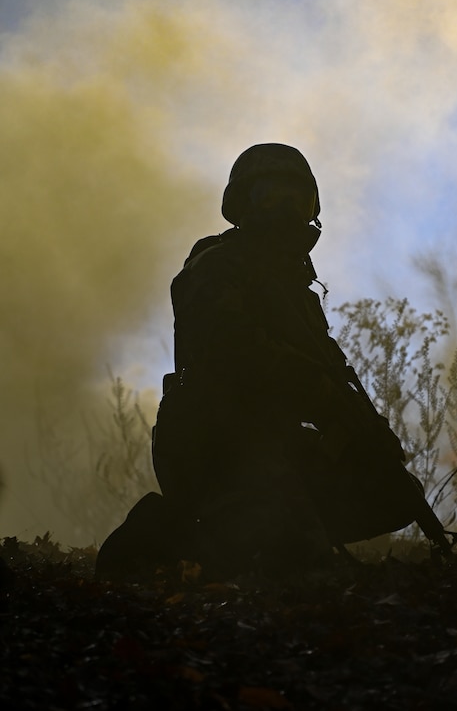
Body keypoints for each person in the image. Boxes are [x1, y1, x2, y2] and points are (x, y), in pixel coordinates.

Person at [96, 143, 421, 581]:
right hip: (214, 440)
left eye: (297, 199)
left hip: (275, 438)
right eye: (271, 195)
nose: (286, 209)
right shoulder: (216, 268)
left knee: (391, 492)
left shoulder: (294, 289)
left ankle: (276, 533)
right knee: (292, 565)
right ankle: (164, 533)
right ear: (243, 205)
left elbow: (328, 371)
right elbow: (237, 357)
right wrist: (321, 396)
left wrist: (363, 431)